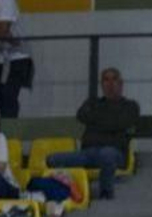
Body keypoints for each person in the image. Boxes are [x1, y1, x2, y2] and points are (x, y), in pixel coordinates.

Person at [46, 67, 140, 200]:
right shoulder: (93, 102)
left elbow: (121, 123)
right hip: (88, 153)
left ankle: (105, 194)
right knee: (53, 159)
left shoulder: (130, 106)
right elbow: (81, 115)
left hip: (115, 152)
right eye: (106, 80)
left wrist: (96, 119)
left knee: (107, 155)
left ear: (121, 83)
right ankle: (65, 195)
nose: (110, 83)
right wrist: (110, 120)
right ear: (102, 84)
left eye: (114, 79)